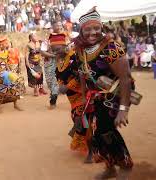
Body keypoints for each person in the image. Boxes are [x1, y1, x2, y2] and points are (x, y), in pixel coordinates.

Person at [74, 9, 134, 179]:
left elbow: (125, 78)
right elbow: (82, 73)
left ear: (102, 28)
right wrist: (84, 96)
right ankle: (110, 167)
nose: (93, 32)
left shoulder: (111, 47)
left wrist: (123, 109)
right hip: (95, 97)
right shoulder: (80, 49)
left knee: (106, 130)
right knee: (95, 133)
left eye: (96, 28)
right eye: (88, 29)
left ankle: (125, 165)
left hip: (115, 94)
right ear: (81, 31)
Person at [49, 33, 93, 163]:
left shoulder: (74, 57)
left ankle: (91, 151)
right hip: (72, 99)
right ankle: (92, 148)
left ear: (64, 46)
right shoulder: (60, 61)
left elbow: (81, 75)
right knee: (78, 120)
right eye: (53, 50)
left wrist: (67, 87)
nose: (56, 52)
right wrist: (61, 86)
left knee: (83, 121)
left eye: (58, 49)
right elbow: (60, 77)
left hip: (83, 95)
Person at [0, 37, 21, 112]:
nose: (7, 46)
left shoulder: (5, 52)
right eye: (5, 44)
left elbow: (5, 63)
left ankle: (15, 105)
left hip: (5, 73)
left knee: (13, 87)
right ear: (0, 45)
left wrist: (9, 72)